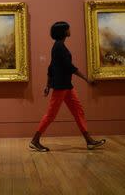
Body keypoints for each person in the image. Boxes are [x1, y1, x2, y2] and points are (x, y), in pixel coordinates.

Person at [29, 21, 106, 152]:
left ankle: (89, 141)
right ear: (63, 31)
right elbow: (69, 67)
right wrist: (86, 79)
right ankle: (35, 140)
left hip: (66, 86)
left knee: (78, 111)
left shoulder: (58, 46)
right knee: (51, 115)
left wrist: (47, 85)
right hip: (61, 86)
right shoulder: (59, 47)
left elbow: (51, 67)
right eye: (68, 28)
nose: (70, 30)